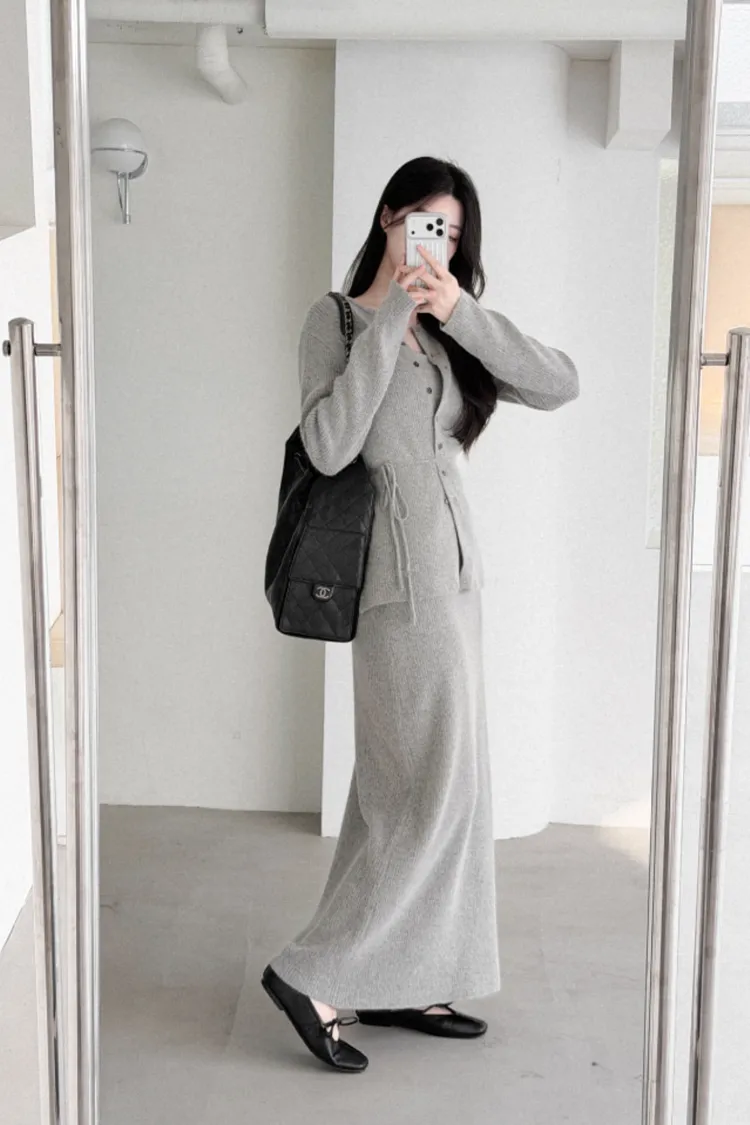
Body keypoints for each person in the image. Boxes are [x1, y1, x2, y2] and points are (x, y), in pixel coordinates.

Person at [262, 156, 579, 1073]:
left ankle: (402, 977)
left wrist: (457, 310)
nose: (436, 243)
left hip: (458, 585)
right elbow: (328, 445)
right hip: (399, 592)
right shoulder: (335, 320)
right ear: (390, 218)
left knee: (407, 791)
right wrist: (390, 315)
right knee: (430, 789)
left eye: (452, 232)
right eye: (425, 223)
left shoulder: (448, 328)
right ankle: (313, 975)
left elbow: (558, 382)